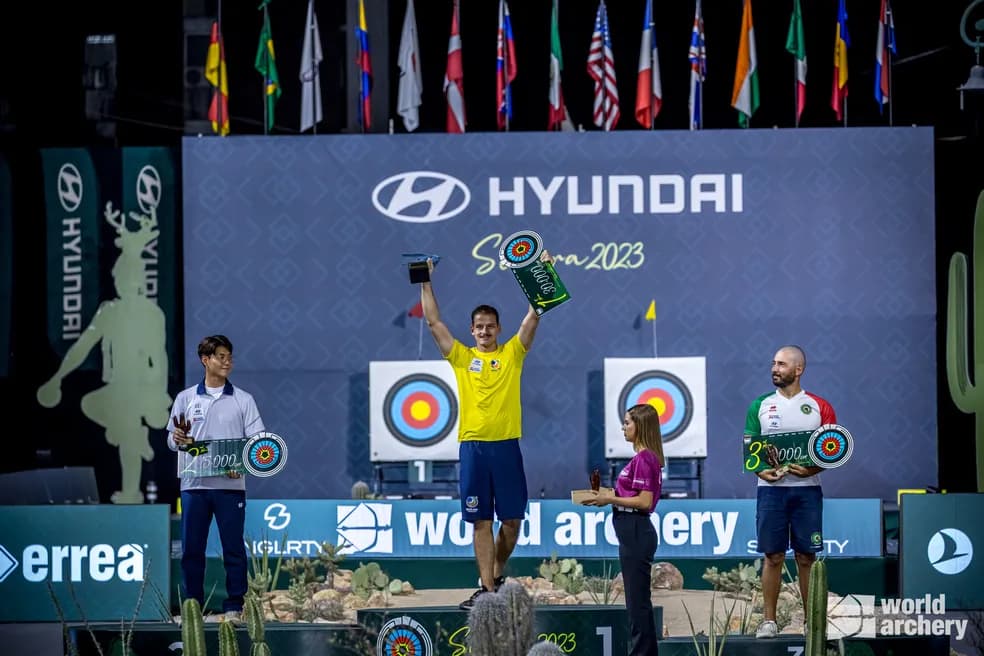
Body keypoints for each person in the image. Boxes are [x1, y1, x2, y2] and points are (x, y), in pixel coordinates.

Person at [420, 255, 549, 610]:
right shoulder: (461, 357)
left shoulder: (512, 354)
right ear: (472, 330)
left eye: (491, 326)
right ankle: (489, 591)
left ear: (498, 328)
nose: (485, 331)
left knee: (511, 522)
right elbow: (433, 322)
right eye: (479, 326)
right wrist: (425, 280)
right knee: (480, 521)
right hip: (473, 448)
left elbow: (535, 314)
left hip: (506, 448)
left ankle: (492, 574)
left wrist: (542, 270)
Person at [167, 334, 265, 621]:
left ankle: (235, 605)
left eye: (229, 357)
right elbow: (172, 441)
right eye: (220, 356)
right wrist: (177, 437)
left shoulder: (243, 399)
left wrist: (245, 464)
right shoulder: (185, 398)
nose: (227, 362)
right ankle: (192, 607)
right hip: (193, 486)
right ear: (205, 360)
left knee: (233, 549)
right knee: (191, 551)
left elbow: (258, 440)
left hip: (231, 487)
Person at [744, 345, 836, 639]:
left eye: (781, 364)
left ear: (798, 370)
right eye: (773, 363)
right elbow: (750, 450)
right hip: (770, 493)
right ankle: (769, 622)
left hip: (807, 492)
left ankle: (812, 622)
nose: (774, 368)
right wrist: (761, 471)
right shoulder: (759, 405)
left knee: (807, 557)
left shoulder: (820, 406)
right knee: (772, 557)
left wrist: (811, 470)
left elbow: (832, 450)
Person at [583, 403, 665, 656]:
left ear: (640, 426)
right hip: (633, 530)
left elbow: (644, 501)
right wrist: (606, 495)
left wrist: (610, 500)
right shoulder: (644, 458)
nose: (623, 427)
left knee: (637, 603)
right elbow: (633, 495)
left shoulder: (644, 458)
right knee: (637, 601)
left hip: (636, 530)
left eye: (627, 422)